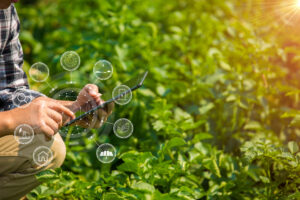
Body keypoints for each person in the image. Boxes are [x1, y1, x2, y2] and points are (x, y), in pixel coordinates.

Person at [0, 1, 114, 199]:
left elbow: (10, 88)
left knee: (41, 145)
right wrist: (11, 120)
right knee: (49, 148)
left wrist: (71, 108)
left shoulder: (6, 11)